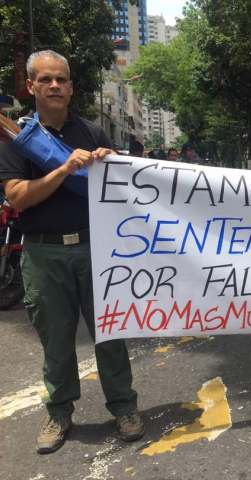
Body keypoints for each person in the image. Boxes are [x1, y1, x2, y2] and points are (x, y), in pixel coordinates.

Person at [0, 50, 144, 453]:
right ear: (31, 87)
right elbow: (18, 197)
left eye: (61, 79)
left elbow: (122, 187)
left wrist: (110, 161)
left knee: (110, 333)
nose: (55, 86)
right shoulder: (17, 138)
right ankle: (59, 412)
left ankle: (124, 407)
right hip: (44, 257)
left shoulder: (93, 133)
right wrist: (64, 169)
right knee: (56, 341)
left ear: (71, 86)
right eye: (45, 80)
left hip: (96, 250)